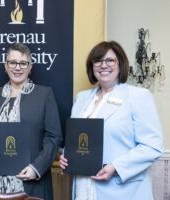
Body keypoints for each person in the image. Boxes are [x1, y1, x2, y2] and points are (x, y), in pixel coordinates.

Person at [59, 41, 163, 200]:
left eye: (110, 60)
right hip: (83, 186)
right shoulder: (81, 98)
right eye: (98, 61)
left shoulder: (138, 96)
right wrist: (66, 156)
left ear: (120, 65)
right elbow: (77, 139)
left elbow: (152, 146)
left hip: (122, 189)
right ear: (92, 66)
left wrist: (116, 167)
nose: (103, 65)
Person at [0, 43, 62, 199]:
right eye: (13, 62)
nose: (18, 67)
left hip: (30, 183)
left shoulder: (44, 95)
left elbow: (53, 137)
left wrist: (36, 168)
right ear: (5, 65)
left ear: (30, 67)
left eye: (23, 63)